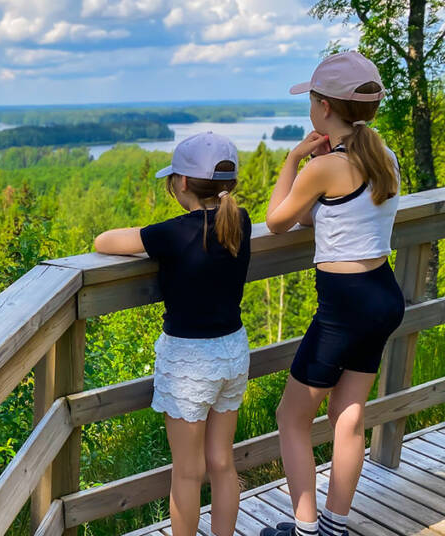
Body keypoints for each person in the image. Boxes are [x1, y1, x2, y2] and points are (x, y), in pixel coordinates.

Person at [262, 51, 404, 536]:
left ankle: (305, 530)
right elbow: (314, 215)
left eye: (312, 100)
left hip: (344, 306)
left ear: (323, 109)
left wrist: (294, 159)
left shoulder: (325, 168)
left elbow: (278, 222)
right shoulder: (384, 158)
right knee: (348, 415)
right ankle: (335, 526)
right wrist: (317, 168)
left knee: (292, 415)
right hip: (383, 297)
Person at [94, 132, 251, 536]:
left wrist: (146, 228)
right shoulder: (241, 220)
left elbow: (104, 242)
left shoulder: (171, 233)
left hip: (189, 364)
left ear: (181, 183)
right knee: (221, 461)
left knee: (187, 472)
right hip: (232, 351)